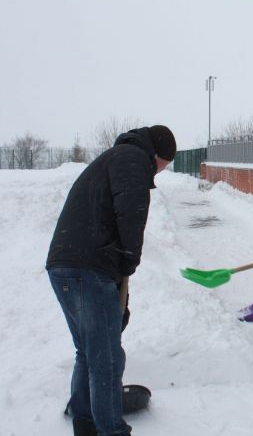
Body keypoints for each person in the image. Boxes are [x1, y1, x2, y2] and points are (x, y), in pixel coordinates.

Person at [47, 125, 176, 436]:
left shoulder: (113, 157)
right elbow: (131, 216)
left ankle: (85, 422)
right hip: (90, 266)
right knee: (106, 358)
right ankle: (111, 430)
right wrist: (129, 261)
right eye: (164, 165)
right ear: (158, 155)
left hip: (63, 264)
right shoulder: (133, 160)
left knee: (88, 352)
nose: (159, 172)